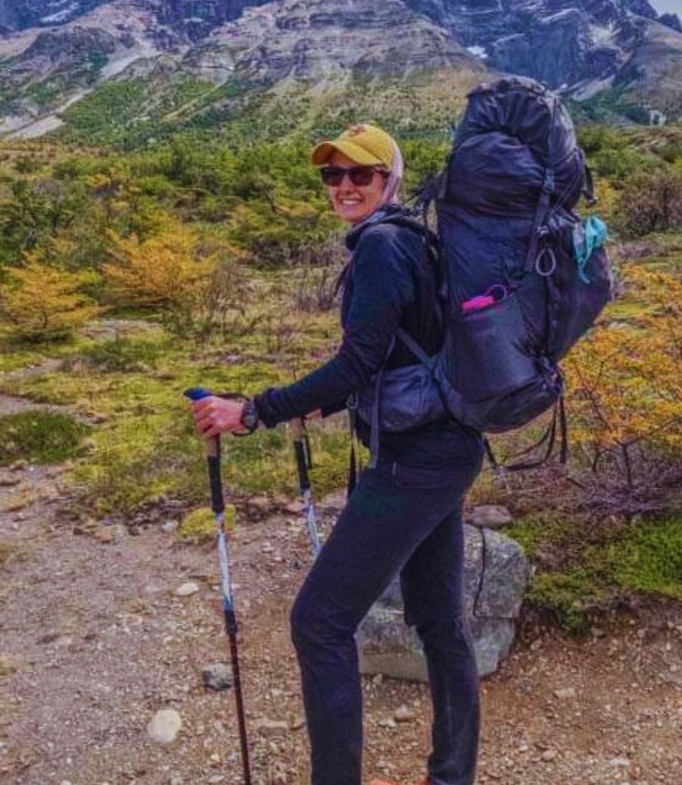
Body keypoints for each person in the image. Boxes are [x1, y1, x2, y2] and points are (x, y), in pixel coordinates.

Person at [190, 123, 484, 785]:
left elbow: (355, 362)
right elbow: (408, 354)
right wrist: (334, 402)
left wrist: (253, 410)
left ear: (391, 180)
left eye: (361, 174)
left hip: (413, 462)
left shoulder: (382, 248)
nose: (345, 186)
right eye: (333, 175)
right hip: (450, 446)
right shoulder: (417, 240)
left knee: (319, 623)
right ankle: (452, 775)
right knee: (441, 624)